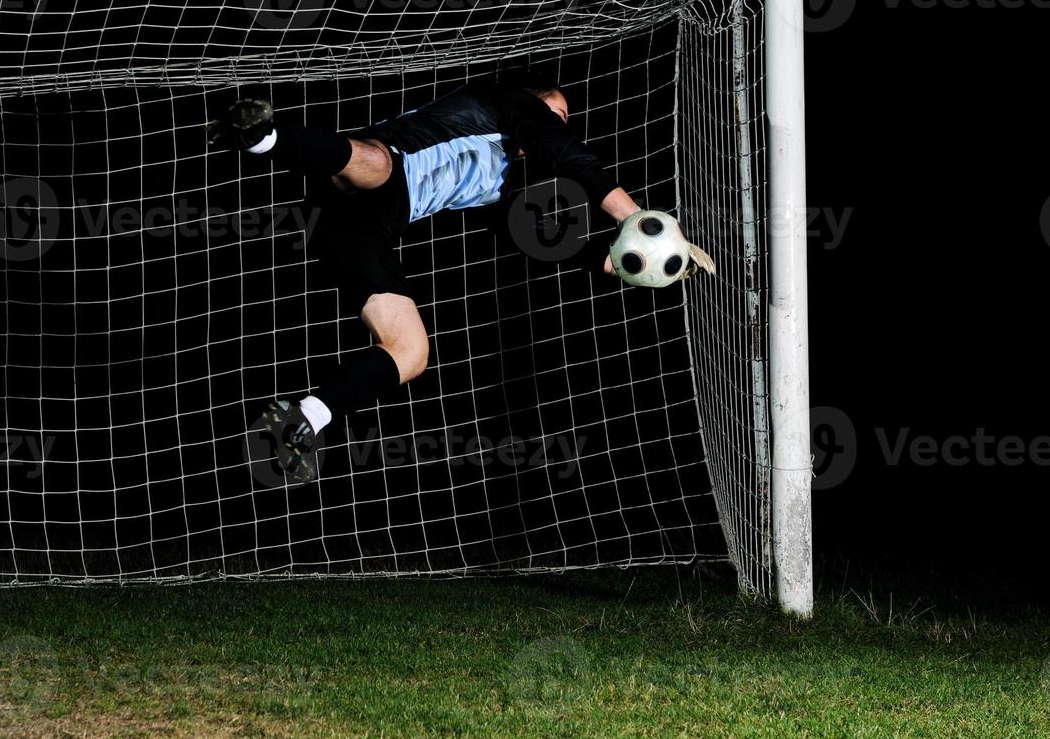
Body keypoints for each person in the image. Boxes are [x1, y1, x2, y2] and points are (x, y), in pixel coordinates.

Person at [208, 81, 693, 483]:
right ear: (533, 101)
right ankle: (262, 138)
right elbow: (570, 156)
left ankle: (301, 420)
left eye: (565, 118)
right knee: (376, 163)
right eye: (554, 110)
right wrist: (638, 217)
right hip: (366, 172)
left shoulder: (505, 185)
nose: (557, 122)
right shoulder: (501, 102)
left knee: (411, 353)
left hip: (358, 233)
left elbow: (559, 241)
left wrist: (648, 263)